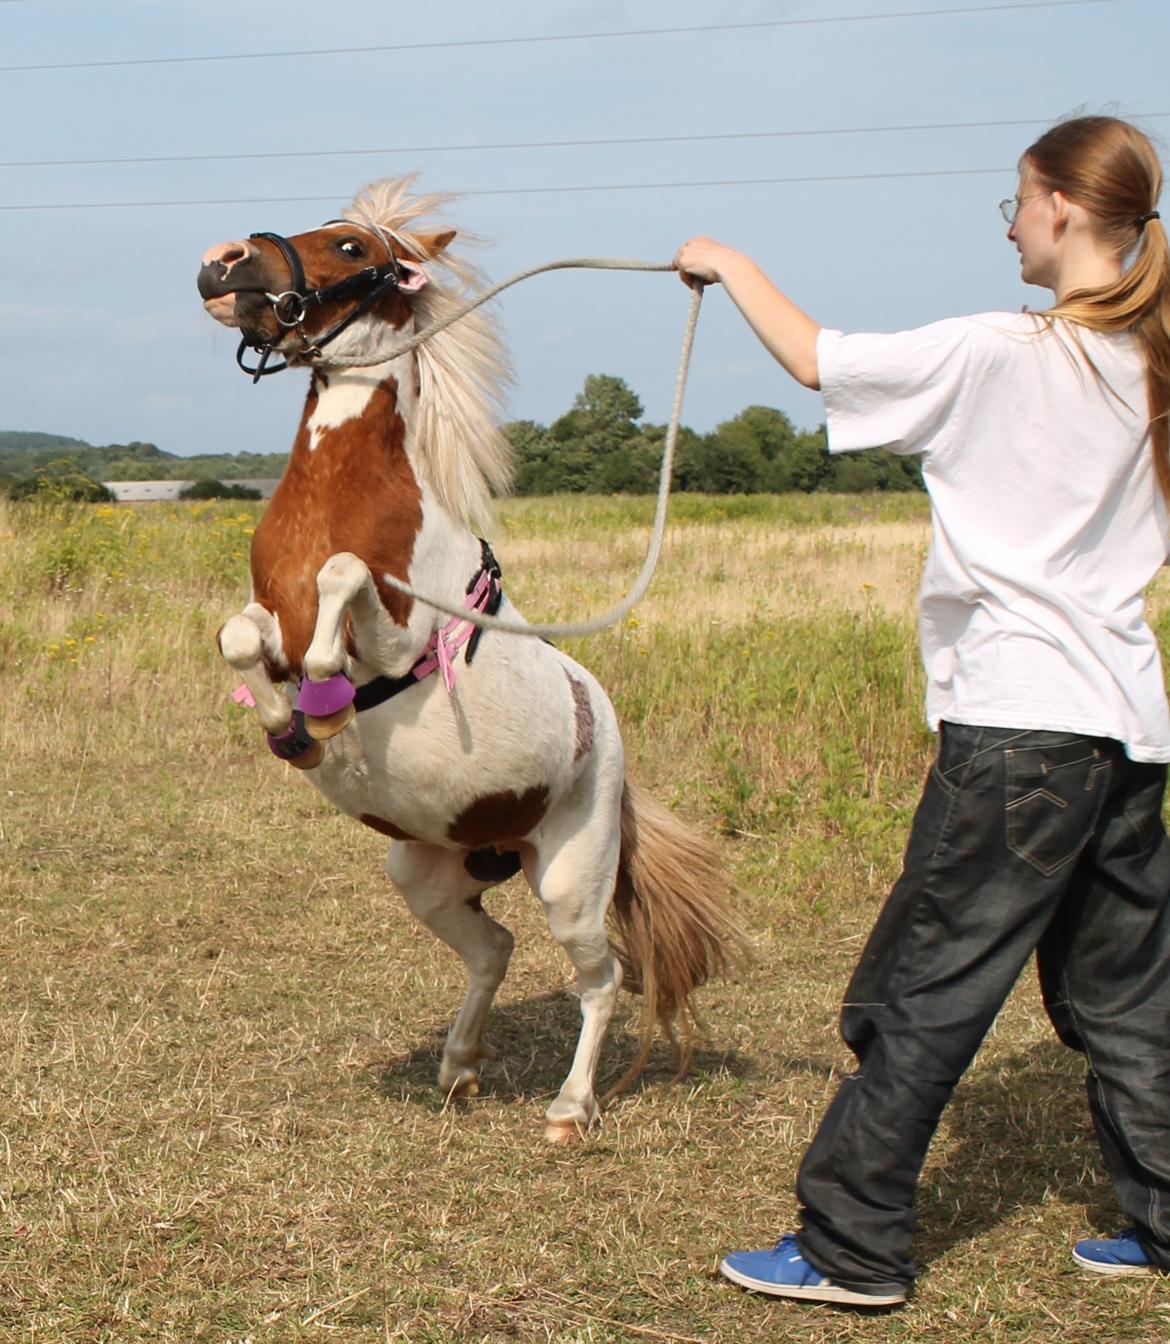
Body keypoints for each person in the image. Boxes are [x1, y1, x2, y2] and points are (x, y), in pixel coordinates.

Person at [674, 114, 1170, 1308]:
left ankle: (852, 1248)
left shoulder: (1011, 349)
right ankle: (1163, 1224)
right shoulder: (1153, 359)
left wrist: (725, 261)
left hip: (1018, 733)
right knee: (1130, 995)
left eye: (1014, 203)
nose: (1009, 225)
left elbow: (818, 360)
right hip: (1128, 730)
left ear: (1057, 204)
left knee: (921, 992)